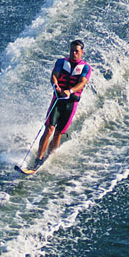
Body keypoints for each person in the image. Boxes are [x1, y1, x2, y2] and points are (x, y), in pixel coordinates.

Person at [34, 39, 92, 169]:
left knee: (58, 133)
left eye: (76, 51)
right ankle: (38, 159)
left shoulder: (86, 67)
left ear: (82, 52)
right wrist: (56, 85)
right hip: (57, 101)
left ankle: (49, 157)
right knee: (49, 128)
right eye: (72, 50)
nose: (73, 53)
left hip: (70, 104)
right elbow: (54, 76)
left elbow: (82, 82)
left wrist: (70, 91)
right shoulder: (61, 62)